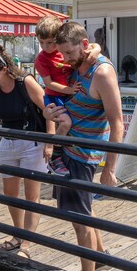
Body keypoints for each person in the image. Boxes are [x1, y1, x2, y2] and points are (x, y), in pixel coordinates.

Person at [43, 21, 123, 271]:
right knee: (84, 210)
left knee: (80, 221)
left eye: (68, 53)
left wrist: (110, 168)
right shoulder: (80, 64)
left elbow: (117, 122)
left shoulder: (102, 73)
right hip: (69, 148)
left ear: (84, 45)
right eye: (63, 53)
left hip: (82, 154)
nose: (65, 59)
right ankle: (98, 257)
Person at [0, 46, 55, 259]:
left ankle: (27, 242)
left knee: (32, 196)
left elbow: (48, 109)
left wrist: (49, 142)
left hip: (32, 142)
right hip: (8, 141)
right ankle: (17, 232)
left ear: (3, 69)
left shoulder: (25, 83)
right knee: (11, 193)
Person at [34, 16, 101, 176]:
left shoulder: (65, 49)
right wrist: (70, 90)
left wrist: (96, 50)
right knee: (66, 123)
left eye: (49, 42)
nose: (45, 46)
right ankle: (55, 154)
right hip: (55, 96)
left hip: (68, 94)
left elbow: (92, 45)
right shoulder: (41, 59)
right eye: (41, 42)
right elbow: (49, 84)